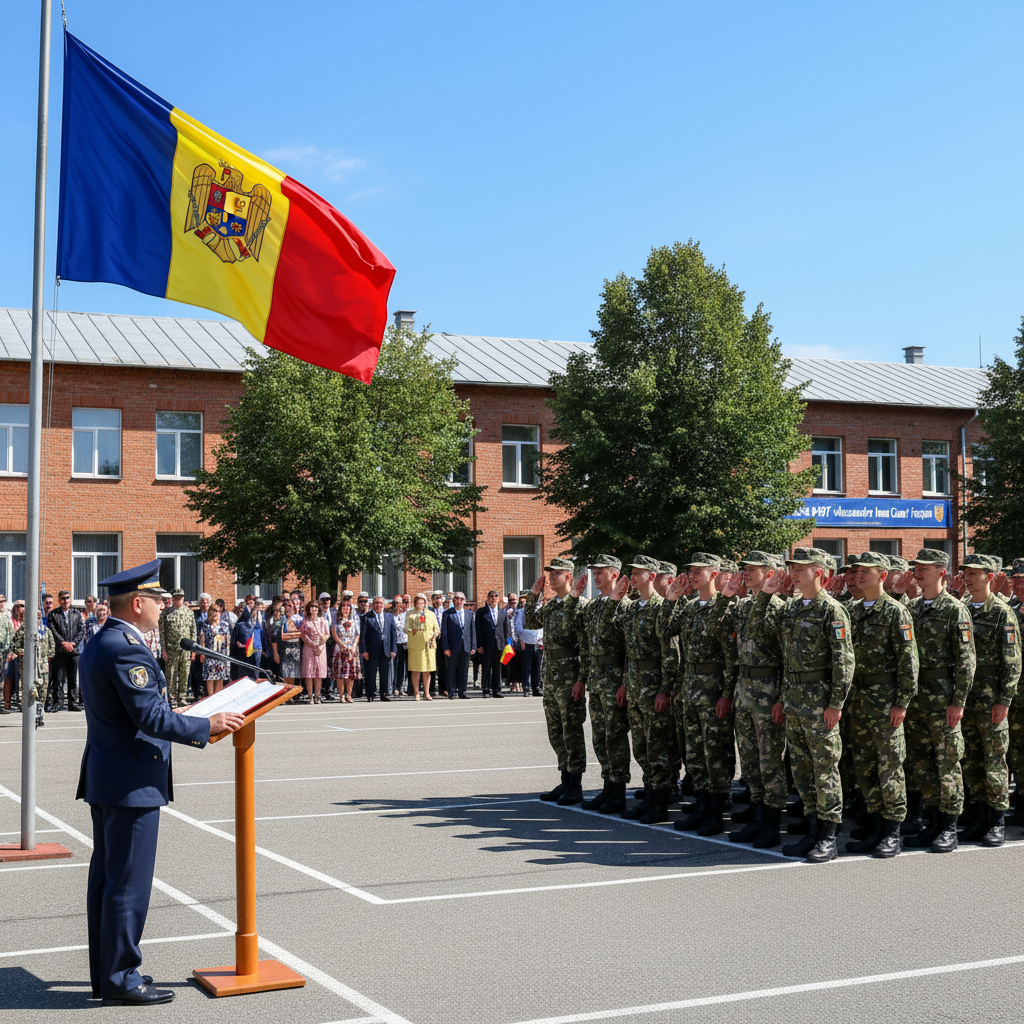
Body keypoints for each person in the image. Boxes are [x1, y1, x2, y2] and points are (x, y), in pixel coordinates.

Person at [77, 560, 244, 1005]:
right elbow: (149, 716)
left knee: (110, 881)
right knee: (127, 884)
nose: (164, 606)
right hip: (131, 782)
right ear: (137, 604)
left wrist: (189, 719)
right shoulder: (127, 648)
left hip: (110, 777)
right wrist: (204, 726)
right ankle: (121, 979)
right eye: (157, 600)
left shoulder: (103, 641)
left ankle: (106, 972)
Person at [755, 547, 855, 863]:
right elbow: (760, 633)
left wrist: (835, 704)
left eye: (801, 568)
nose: (794, 573)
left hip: (819, 705)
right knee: (802, 772)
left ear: (819, 572)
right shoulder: (791, 609)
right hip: (795, 704)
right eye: (793, 568)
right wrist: (766, 596)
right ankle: (812, 831)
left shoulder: (832, 611)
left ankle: (828, 837)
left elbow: (844, 661)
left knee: (825, 769)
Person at [841, 551, 919, 858]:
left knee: (889, 768)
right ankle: (874, 825)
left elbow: (908, 662)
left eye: (867, 571)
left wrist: (902, 702)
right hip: (859, 703)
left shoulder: (896, 612)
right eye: (857, 571)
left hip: (886, 703)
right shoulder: (855, 610)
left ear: (882, 576)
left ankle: (892, 831)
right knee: (865, 768)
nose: (859, 576)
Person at [902, 548, 975, 853]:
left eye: (925, 568)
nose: (918, 573)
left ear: (942, 573)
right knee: (923, 765)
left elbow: (966, 660)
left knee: (947, 765)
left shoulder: (955, 610)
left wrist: (958, 701)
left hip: (944, 699)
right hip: (918, 699)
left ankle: (948, 827)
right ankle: (931, 822)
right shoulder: (914, 608)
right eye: (917, 568)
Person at [717, 551, 789, 849]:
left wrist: (782, 698)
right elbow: (718, 634)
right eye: (745, 568)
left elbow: (788, 658)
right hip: (744, 692)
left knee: (770, 761)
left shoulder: (780, 609)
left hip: (768, 693)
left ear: (770, 573)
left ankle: (772, 824)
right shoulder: (743, 606)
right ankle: (758, 818)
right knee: (750, 763)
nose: (746, 572)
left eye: (754, 569)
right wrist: (724, 598)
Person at [664, 553, 736, 837]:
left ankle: (716, 812)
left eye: (698, 571)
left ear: (714, 573)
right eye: (690, 571)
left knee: (715, 753)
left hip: (713, 690)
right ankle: (702, 806)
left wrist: (726, 695)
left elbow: (732, 656)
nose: (692, 575)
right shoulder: (690, 607)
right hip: (689, 690)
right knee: (694, 754)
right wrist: (671, 600)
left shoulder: (727, 605)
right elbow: (665, 631)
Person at [957, 553, 1020, 847]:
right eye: (966, 573)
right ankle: (978, 818)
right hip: (966, 699)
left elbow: (1012, 662)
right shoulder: (964, 609)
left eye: (975, 574)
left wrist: (1004, 700)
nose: (969, 579)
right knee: (970, 761)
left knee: (994, 761)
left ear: (990, 577)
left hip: (991, 699)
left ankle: (997, 820)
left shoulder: (1002, 613)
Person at [608, 555, 674, 823]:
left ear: (652, 577)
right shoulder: (633, 608)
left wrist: (665, 690)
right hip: (634, 687)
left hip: (652, 688)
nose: (633, 577)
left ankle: (660, 803)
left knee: (658, 748)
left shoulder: (661, 608)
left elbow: (670, 654)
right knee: (642, 749)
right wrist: (624, 682)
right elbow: (626, 650)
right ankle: (649, 797)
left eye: (639, 573)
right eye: (632, 572)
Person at [524, 559, 589, 806]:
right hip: (551, 679)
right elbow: (531, 623)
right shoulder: (552, 607)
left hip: (570, 678)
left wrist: (582, 679)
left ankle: (576, 784)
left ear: (569, 578)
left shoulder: (580, 606)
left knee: (572, 731)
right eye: (550, 574)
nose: (551, 578)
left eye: (557, 574)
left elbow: (585, 645)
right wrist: (533, 595)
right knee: (556, 732)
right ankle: (564, 778)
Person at [574, 556, 632, 815]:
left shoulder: (625, 606)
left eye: (601, 572)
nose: (596, 577)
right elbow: (586, 646)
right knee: (600, 737)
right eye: (594, 573)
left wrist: (625, 683)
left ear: (615, 574)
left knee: (616, 735)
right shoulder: (594, 605)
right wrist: (582, 678)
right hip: (597, 679)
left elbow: (631, 650)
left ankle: (618, 790)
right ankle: (608, 785)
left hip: (615, 677)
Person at [14, 607, 55, 729]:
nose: (36, 617)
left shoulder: (45, 630)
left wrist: (46, 656)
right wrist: (26, 652)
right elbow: (14, 646)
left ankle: (39, 714)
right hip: (28, 667)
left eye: (38, 615)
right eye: (34, 615)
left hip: (43, 668)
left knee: (43, 692)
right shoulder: (23, 630)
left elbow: (52, 647)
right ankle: (30, 715)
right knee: (30, 692)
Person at [48, 590, 86, 712]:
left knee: (73, 678)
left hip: (74, 651)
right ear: (59, 600)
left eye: (67, 598)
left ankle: (72, 702)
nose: (65, 601)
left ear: (70, 599)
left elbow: (81, 630)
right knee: (58, 678)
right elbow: (53, 630)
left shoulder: (77, 613)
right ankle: (58, 702)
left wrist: (73, 643)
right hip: (60, 651)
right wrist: (63, 643)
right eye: (63, 598)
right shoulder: (54, 614)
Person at [158, 588, 196, 707]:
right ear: (172, 598)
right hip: (171, 649)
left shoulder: (189, 612)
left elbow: (193, 631)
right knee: (171, 674)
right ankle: (172, 698)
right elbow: (162, 632)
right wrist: (163, 649)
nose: (178, 600)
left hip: (185, 650)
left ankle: (182, 697)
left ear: (183, 598)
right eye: (175, 598)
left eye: (180, 598)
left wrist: (193, 650)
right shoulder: (166, 612)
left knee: (185, 673)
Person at [359, 595, 397, 701]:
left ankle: (384, 693)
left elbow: (393, 634)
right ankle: (370, 693)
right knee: (370, 673)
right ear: (372, 605)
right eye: (376, 603)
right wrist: (364, 650)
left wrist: (393, 649)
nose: (378, 605)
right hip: (371, 650)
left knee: (385, 673)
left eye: (380, 603)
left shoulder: (389, 617)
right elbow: (362, 636)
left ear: (384, 605)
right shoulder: (366, 617)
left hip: (385, 649)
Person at [441, 592, 476, 700]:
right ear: (453, 600)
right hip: (452, 646)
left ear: (464, 601)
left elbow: (472, 630)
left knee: (464, 669)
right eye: (457, 599)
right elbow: (444, 632)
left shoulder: (469, 614)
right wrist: (446, 647)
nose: (459, 601)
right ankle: (452, 691)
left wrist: (473, 646)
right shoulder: (447, 613)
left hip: (466, 645)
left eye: (461, 599)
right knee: (452, 669)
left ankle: (462, 691)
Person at [406, 594, 441, 700]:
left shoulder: (431, 614)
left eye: (422, 603)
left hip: (428, 645)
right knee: (416, 669)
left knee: (427, 670)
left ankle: (427, 692)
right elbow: (406, 628)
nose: (420, 605)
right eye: (418, 602)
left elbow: (437, 629)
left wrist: (434, 635)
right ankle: (416, 692)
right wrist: (413, 630)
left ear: (425, 603)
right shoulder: (410, 614)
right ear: (415, 603)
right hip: (416, 644)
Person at [476, 590, 506, 698]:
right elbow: (477, 629)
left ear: (499, 599)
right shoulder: (481, 612)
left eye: (496, 596)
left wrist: (508, 643)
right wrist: (479, 644)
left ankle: (497, 690)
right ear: (488, 599)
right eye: (491, 596)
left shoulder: (503, 612)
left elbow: (506, 629)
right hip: (486, 644)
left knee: (497, 667)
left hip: (499, 643)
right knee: (486, 666)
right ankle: (486, 689)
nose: (494, 598)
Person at [331, 597, 361, 702]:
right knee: (340, 675)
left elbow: (357, 634)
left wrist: (353, 646)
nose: (346, 609)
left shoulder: (354, 620)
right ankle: (341, 695)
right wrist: (342, 645)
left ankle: (349, 695)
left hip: (352, 650)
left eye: (348, 607)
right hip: (340, 649)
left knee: (350, 675)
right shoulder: (337, 620)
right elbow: (334, 634)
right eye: (343, 607)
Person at [300, 600, 329, 703]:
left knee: (318, 673)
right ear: (309, 609)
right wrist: (312, 643)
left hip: (321, 649)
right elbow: (302, 635)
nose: (314, 609)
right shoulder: (305, 621)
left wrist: (320, 645)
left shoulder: (323, 620)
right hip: (308, 648)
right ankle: (310, 696)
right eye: (312, 607)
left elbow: (327, 634)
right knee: (309, 673)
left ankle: (317, 695)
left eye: (316, 607)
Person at [198, 606, 231, 696]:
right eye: (214, 611)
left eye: (218, 611)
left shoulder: (225, 625)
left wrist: (227, 655)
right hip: (209, 654)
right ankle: (211, 696)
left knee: (220, 677)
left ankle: (217, 697)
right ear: (210, 612)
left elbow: (227, 641)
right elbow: (202, 639)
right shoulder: (205, 625)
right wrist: (202, 653)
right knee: (210, 677)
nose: (216, 613)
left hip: (221, 654)